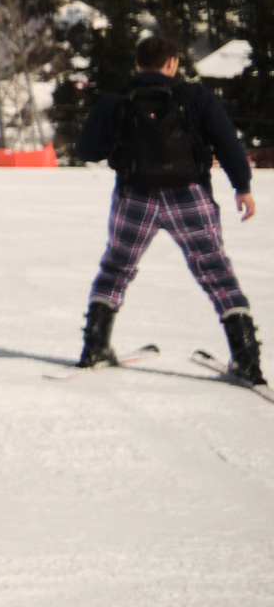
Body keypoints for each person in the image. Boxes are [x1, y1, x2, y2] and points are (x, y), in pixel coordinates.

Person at [74, 33, 259, 382]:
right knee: (216, 272)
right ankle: (248, 360)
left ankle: (95, 347)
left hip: (135, 195)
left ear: (137, 63)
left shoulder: (117, 100)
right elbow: (227, 141)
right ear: (173, 62)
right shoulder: (195, 96)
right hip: (189, 195)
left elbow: (87, 151)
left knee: (116, 268)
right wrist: (243, 187)